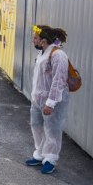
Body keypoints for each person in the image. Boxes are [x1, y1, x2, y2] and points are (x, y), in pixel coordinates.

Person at [26, 24, 70, 174]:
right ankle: (40, 154)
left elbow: (58, 80)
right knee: (36, 126)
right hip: (37, 99)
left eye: (35, 38)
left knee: (52, 130)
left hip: (52, 101)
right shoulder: (42, 53)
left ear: (43, 40)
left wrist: (51, 102)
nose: (33, 40)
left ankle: (50, 158)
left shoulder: (58, 55)